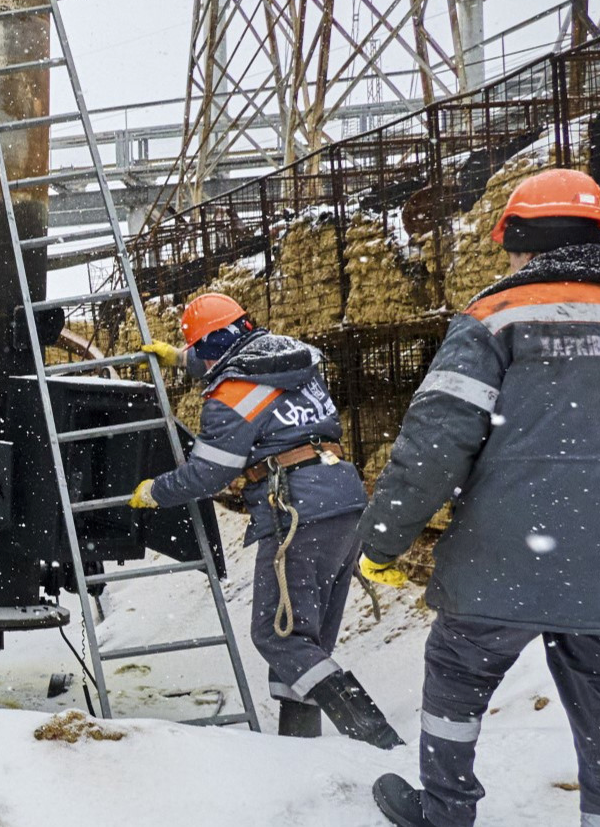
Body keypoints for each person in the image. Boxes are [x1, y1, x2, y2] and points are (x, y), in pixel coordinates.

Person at [356, 168, 600, 827]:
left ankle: (444, 810)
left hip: (504, 558)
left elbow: (433, 448)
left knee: (456, 673)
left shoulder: (493, 319)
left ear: (518, 241)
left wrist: (382, 543)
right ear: (598, 237)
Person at [131, 293, 403, 748]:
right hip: (344, 500)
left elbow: (208, 473)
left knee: (277, 637)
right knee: (304, 637)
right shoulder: (288, 360)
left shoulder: (231, 395)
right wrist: (180, 359)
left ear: (211, 346)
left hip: (298, 513)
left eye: (197, 349)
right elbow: (236, 362)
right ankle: (299, 748)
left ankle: (377, 739)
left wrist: (155, 492)